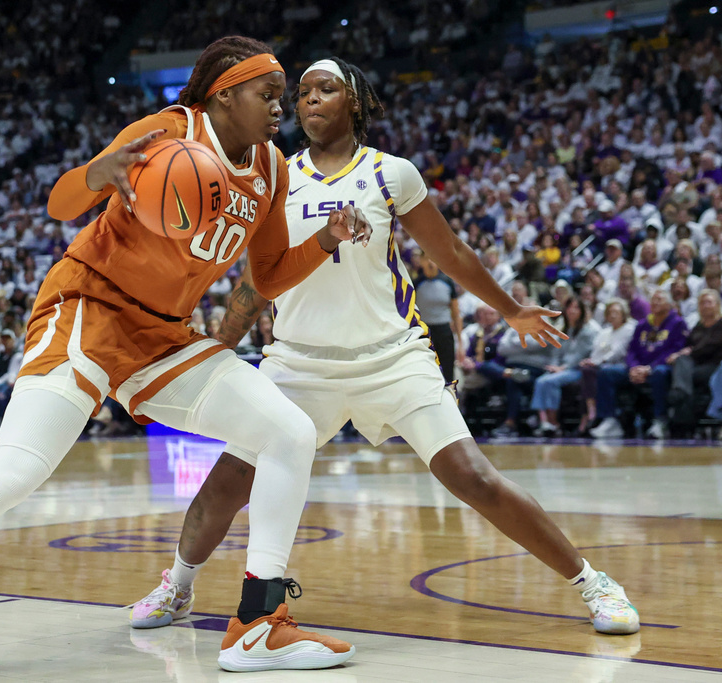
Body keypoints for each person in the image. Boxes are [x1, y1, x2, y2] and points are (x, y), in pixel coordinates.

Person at [0, 37, 371, 681]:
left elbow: (264, 277)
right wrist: (98, 175)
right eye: (268, 94)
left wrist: (324, 240)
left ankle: (256, 626)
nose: (281, 107)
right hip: (88, 307)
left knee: (289, 432)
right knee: (17, 470)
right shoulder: (165, 132)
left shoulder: (271, 170)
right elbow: (61, 203)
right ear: (224, 94)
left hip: (162, 336)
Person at [127, 57, 640, 642]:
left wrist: (510, 309)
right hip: (298, 363)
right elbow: (256, 280)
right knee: (226, 484)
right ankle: (180, 583)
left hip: (394, 356)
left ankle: (592, 582)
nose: (308, 100)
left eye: (325, 89)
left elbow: (451, 252)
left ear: (355, 103)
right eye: (302, 93)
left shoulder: (391, 173)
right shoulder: (274, 177)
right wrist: (218, 345)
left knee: (472, 477)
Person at [590, 288, 688, 439]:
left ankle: (660, 420)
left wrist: (649, 368)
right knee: (606, 372)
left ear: (669, 304)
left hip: (661, 368)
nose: (655, 302)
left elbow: (674, 351)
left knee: (660, 373)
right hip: (637, 368)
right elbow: (631, 350)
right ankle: (610, 420)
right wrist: (634, 367)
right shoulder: (642, 324)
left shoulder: (677, 323)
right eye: (653, 299)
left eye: (659, 299)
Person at [531, 297, 600, 436]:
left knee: (550, 382)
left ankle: (554, 422)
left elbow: (581, 355)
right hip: (561, 368)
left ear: (581, 311)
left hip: (577, 369)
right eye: (570, 307)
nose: (572, 311)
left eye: (576, 307)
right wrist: (554, 366)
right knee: (540, 381)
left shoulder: (588, 331)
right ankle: (544, 421)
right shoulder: (565, 330)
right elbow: (556, 351)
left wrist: (563, 368)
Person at [666, 288, 722, 437]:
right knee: (682, 361)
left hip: (715, 366)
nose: (705, 305)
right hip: (695, 365)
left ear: (717, 304)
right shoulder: (698, 326)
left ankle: (679, 397)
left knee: (685, 372)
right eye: (702, 302)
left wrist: (690, 352)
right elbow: (687, 345)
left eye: (709, 302)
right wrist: (680, 354)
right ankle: (681, 393)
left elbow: (711, 346)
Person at [578, 300, 636, 435]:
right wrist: (591, 360)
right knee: (586, 370)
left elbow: (618, 351)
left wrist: (598, 361)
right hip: (602, 365)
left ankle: (609, 418)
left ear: (624, 314)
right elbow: (596, 351)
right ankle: (592, 414)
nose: (613, 315)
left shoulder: (629, 328)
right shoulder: (604, 332)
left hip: (623, 365)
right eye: (610, 313)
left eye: (616, 312)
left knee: (605, 372)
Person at [413, 254, 462, 383]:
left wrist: (461, 343)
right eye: (427, 258)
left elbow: (456, 314)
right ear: (421, 261)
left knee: (447, 371)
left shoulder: (447, 282)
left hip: (444, 331)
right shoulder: (416, 284)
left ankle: (451, 399)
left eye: (433, 258)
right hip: (424, 332)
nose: (430, 262)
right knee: (426, 371)